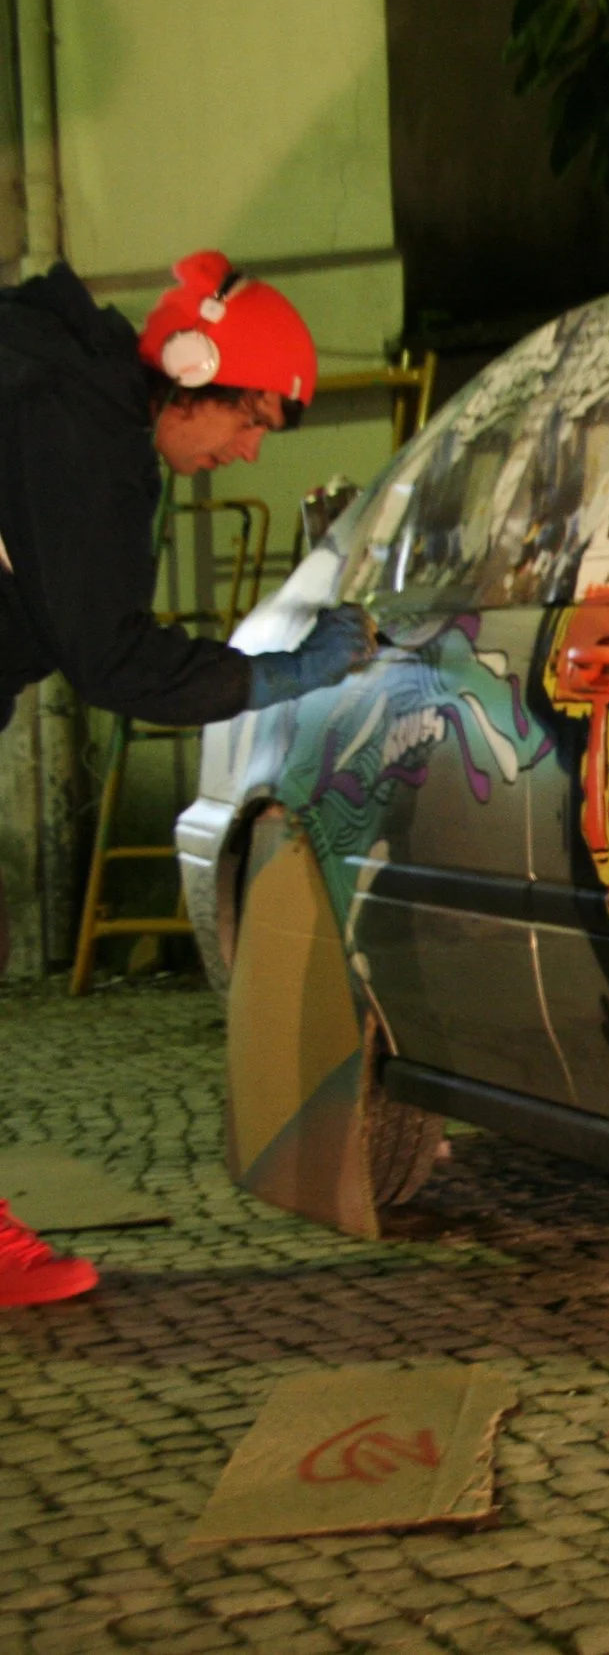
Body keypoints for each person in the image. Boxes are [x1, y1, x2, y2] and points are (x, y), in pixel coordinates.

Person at [0, 249, 376, 1308]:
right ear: (190, 371)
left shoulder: (55, 386)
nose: (246, 451)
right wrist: (276, 674)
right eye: (249, 420)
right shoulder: (81, 430)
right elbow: (112, 657)